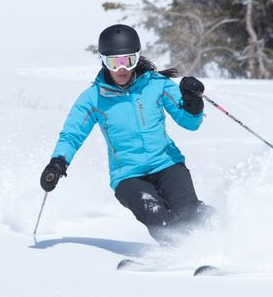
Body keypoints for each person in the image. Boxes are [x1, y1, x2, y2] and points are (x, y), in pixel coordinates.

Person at [40, 24, 213, 245]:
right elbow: (72, 135)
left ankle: (220, 236)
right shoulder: (93, 98)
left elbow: (189, 123)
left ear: (137, 58)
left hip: (167, 164)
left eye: (128, 61)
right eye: (114, 62)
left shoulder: (156, 84)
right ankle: (180, 250)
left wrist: (193, 104)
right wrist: (58, 163)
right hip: (128, 176)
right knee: (155, 213)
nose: (121, 69)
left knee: (189, 212)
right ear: (103, 61)